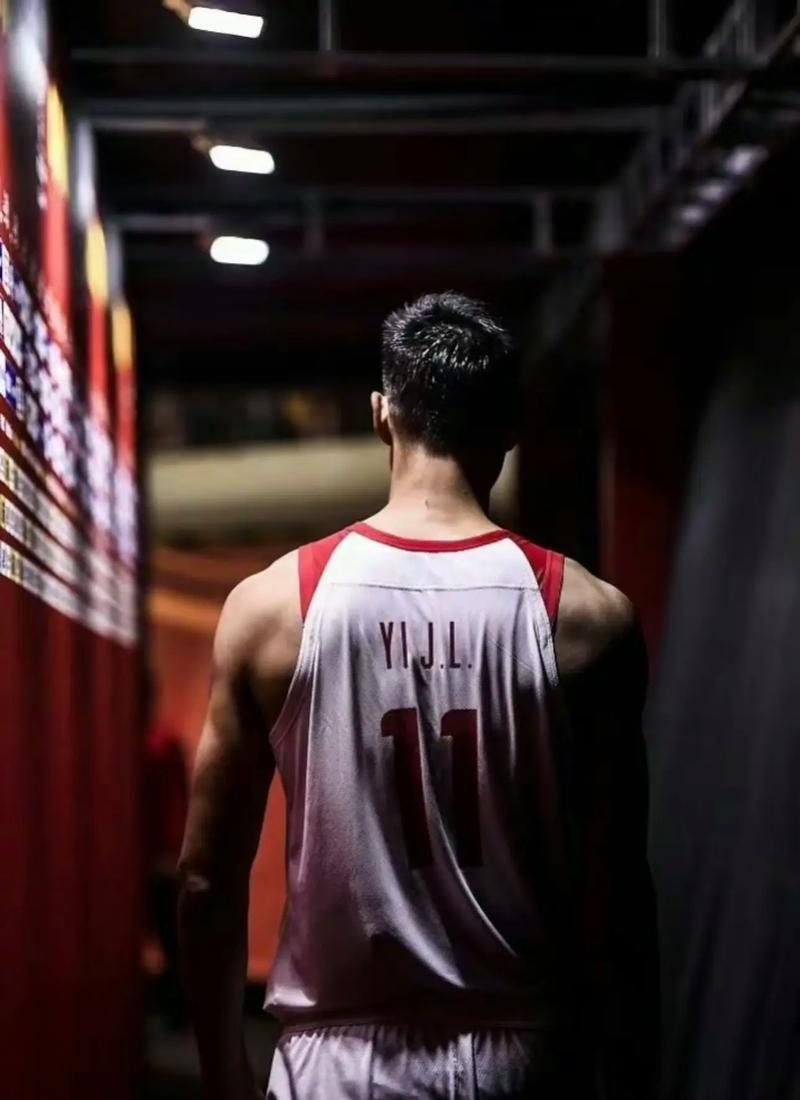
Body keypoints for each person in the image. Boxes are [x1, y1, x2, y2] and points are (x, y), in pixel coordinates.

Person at [178, 292, 658, 1099]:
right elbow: (620, 893)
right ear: (511, 427)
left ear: (381, 415)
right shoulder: (587, 617)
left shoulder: (272, 610)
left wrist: (224, 1072)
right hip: (526, 1060)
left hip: (338, 1066)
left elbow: (204, 879)